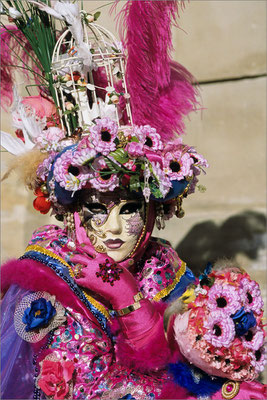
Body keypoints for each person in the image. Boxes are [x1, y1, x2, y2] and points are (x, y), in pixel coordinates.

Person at [0, 1, 266, 399]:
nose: (112, 229)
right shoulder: (46, 279)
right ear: (70, 211)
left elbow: (186, 364)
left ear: (155, 208)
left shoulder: (161, 265)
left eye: (129, 209)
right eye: (95, 209)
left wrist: (132, 300)